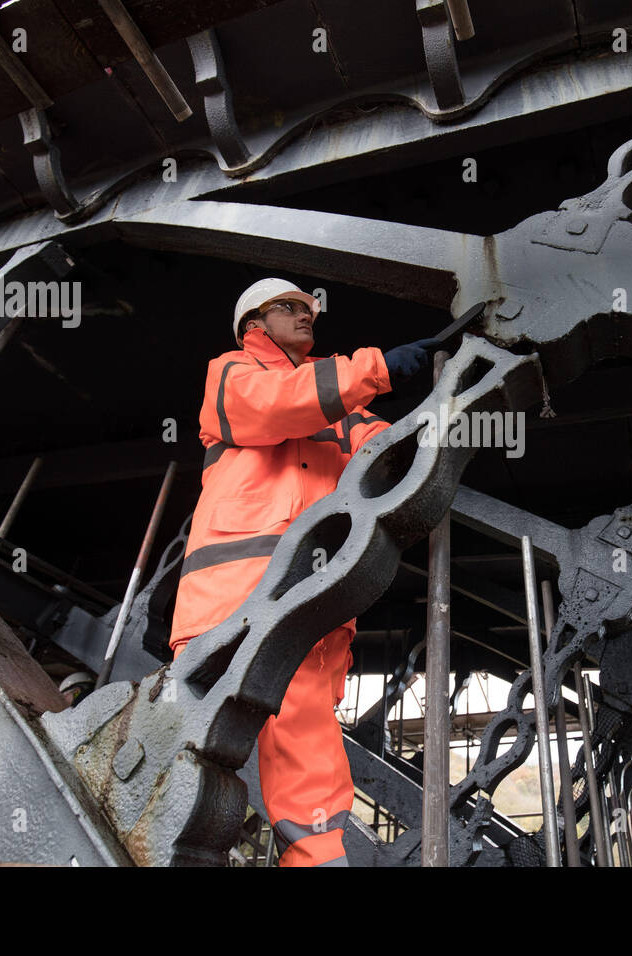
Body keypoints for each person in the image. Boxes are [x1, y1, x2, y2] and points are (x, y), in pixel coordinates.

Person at [168, 277, 439, 866]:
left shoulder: (336, 401)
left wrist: (438, 421)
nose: (307, 315)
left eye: (311, 308)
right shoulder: (233, 374)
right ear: (253, 323)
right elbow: (280, 405)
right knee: (196, 748)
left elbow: (382, 450)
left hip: (302, 601)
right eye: (291, 307)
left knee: (302, 741)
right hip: (233, 595)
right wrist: (377, 368)